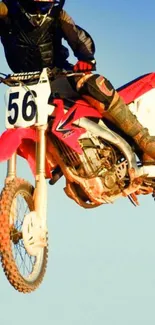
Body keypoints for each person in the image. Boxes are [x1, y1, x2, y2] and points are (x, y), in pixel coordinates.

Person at [0, 0, 155, 164]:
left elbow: (78, 37)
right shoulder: (6, 10)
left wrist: (86, 59)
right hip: (25, 85)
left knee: (93, 84)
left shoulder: (58, 15)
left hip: (58, 77)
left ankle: (143, 140)